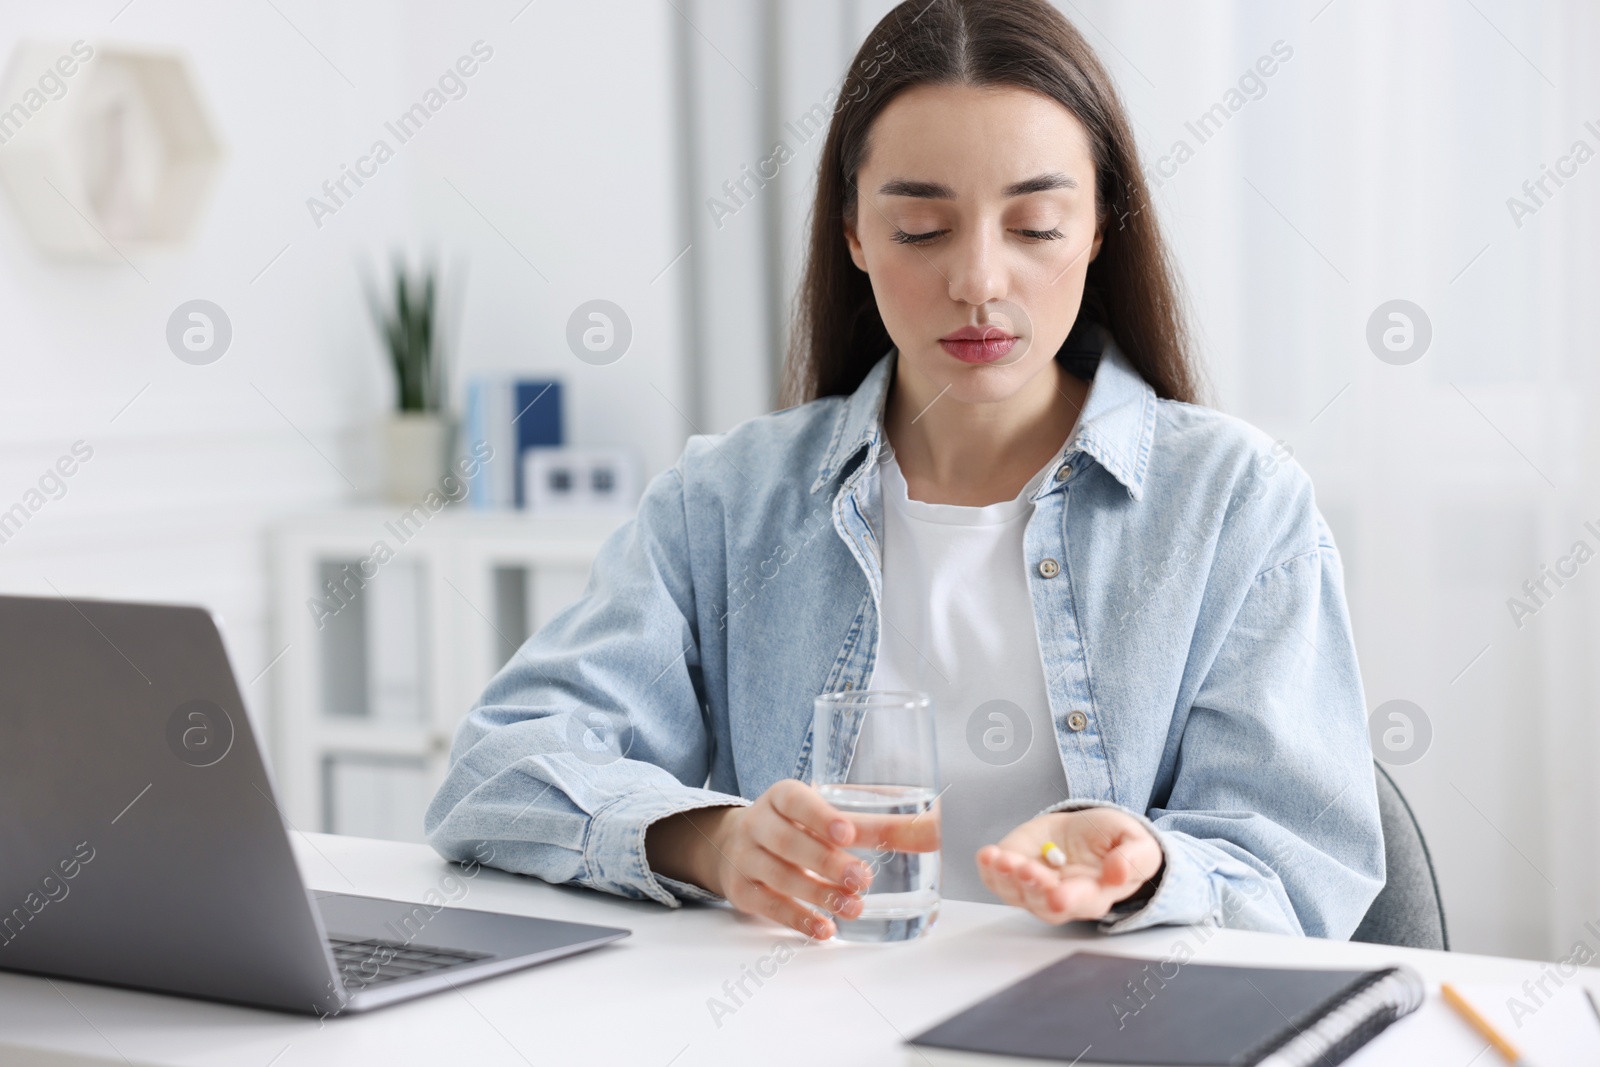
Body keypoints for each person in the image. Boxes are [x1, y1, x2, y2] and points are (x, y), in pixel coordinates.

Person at [426, 0, 1383, 943]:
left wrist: (1148, 869)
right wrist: (714, 842)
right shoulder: (726, 500)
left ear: (1098, 229)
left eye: (1037, 225)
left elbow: (1299, 867)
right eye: (922, 229)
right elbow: (496, 770)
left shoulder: (1236, 503)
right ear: (853, 234)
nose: (978, 280)